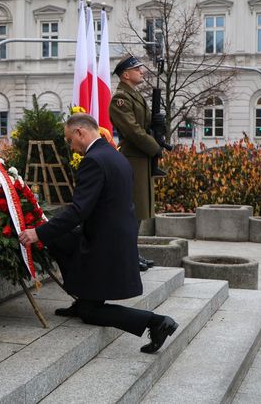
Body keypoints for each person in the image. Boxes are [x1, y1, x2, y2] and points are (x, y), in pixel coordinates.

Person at [18, 113, 178, 354]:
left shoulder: (92, 160)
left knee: (90, 314)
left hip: (105, 243)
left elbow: (78, 210)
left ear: (81, 132)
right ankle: (83, 297)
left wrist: (38, 233)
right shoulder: (116, 156)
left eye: (70, 139)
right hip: (115, 235)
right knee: (60, 239)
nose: (71, 146)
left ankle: (155, 322)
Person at [109, 55, 163, 271]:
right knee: (132, 211)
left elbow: (144, 124)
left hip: (141, 158)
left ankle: (132, 253)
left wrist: (158, 124)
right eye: (137, 69)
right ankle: (126, 255)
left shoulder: (133, 95)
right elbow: (133, 131)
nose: (142, 71)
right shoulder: (120, 99)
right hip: (133, 158)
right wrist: (154, 147)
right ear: (125, 74)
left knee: (139, 210)